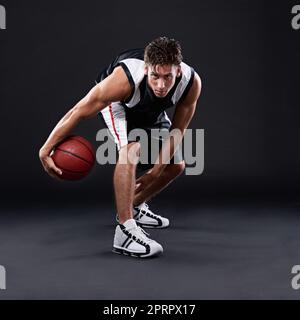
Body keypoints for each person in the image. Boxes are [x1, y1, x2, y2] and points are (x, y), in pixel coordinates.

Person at [39, 36, 202, 258]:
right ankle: (125, 230)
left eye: (168, 77)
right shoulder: (123, 80)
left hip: (149, 110)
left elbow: (178, 131)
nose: (161, 85)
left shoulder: (191, 83)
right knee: (131, 150)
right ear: (146, 69)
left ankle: (134, 205)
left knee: (176, 166)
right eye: (155, 76)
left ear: (178, 73)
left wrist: (154, 172)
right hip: (119, 105)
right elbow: (78, 111)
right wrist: (45, 149)